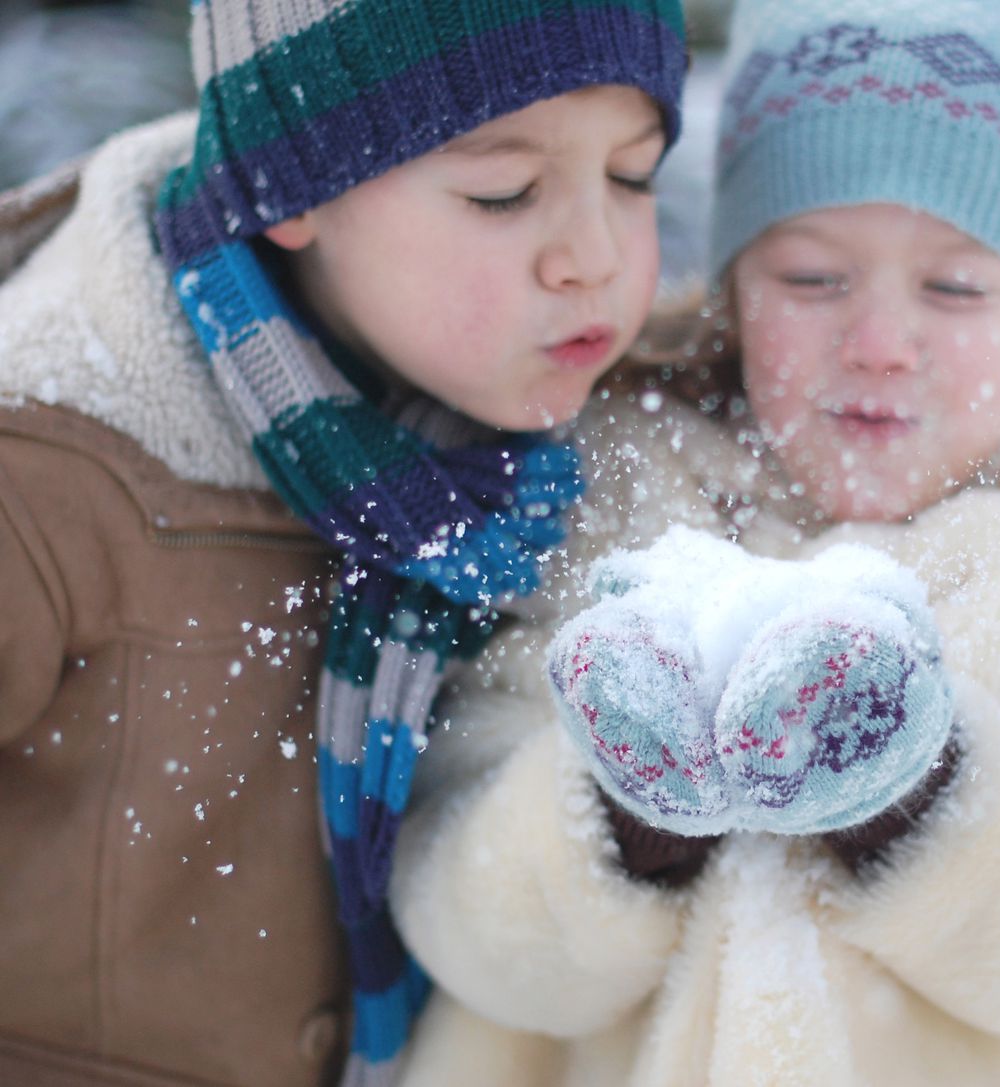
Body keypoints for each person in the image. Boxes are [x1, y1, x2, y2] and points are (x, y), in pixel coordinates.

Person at [389, 0, 1000, 1084]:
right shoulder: (610, 467)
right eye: (812, 277)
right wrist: (621, 813)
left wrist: (919, 788)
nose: (876, 343)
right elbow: (461, 911)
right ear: (731, 283)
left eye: (956, 287)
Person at [0, 1, 686, 1085]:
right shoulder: (45, 470)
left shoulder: (539, 451)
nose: (594, 256)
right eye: (502, 191)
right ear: (293, 180)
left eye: (636, 174)